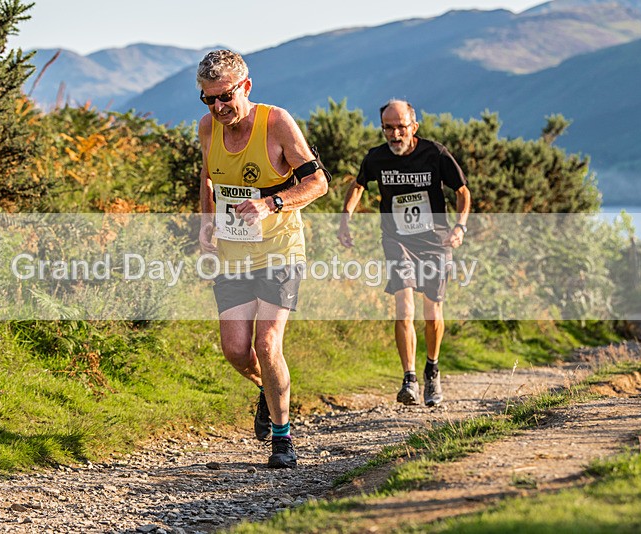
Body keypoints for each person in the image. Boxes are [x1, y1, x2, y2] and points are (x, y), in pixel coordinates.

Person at [196, 50, 329, 468]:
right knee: (236, 350)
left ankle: (282, 439)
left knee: (267, 343)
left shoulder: (276, 123)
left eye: (225, 96)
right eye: (208, 99)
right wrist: (206, 222)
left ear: (246, 87)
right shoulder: (207, 127)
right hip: (233, 253)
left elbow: (318, 182)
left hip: (280, 249)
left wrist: (272, 203)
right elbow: (208, 177)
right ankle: (268, 391)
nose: (218, 107)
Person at [338, 99, 471, 407]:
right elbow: (358, 186)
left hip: (435, 241)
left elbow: (462, 191)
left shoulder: (435, 154)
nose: (395, 134)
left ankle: (432, 369)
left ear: (414, 127)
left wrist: (460, 226)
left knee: (432, 313)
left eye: (401, 127)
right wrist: (345, 219)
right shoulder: (377, 157)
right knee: (404, 307)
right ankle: (409, 378)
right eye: (388, 128)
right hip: (397, 240)